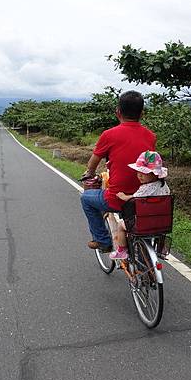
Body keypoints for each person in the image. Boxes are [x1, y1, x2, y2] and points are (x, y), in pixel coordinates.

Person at [80, 90, 156, 253]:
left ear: (118, 112)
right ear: (142, 113)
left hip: (118, 199)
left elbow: (93, 162)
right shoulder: (151, 136)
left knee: (86, 198)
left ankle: (103, 241)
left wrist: (89, 173)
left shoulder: (109, 134)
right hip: (144, 198)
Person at [110, 151, 170, 260]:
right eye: (138, 172)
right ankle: (161, 249)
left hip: (144, 223)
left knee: (120, 225)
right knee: (160, 231)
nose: (140, 175)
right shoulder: (163, 185)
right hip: (161, 223)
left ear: (154, 174)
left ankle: (122, 251)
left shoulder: (145, 188)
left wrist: (123, 196)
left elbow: (134, 198)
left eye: (144, 172)